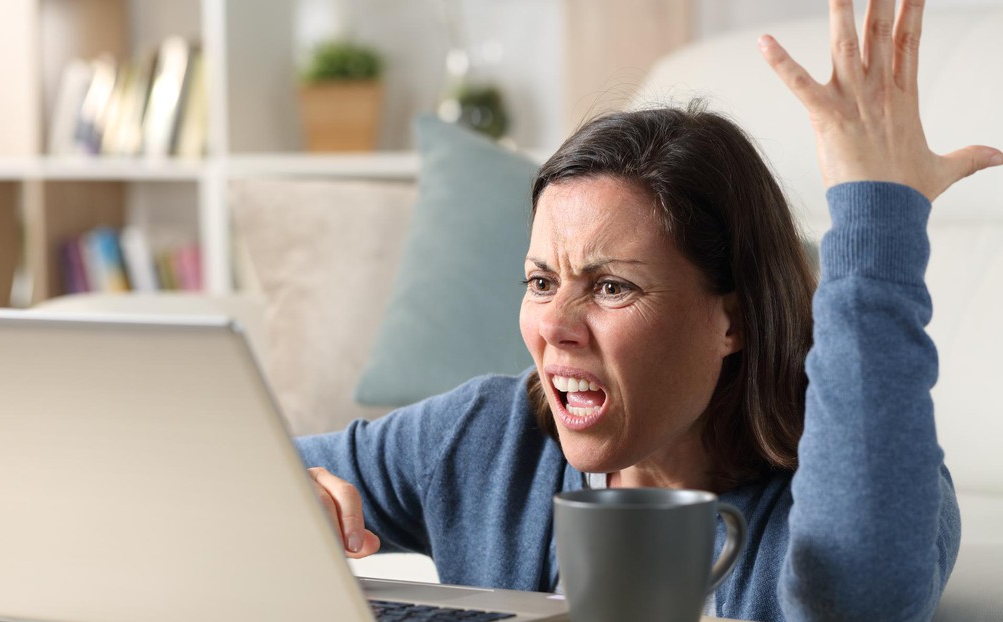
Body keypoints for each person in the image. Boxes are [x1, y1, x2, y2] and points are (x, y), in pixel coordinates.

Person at [298, 0, 1003, 619]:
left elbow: (863, 600)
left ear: (735, 320)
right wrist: (288, 497)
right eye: (541, 282)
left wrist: (876, 221)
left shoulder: (875, 482)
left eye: (612, 288)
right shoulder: (488, 437)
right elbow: (242, 474)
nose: (553, 327)